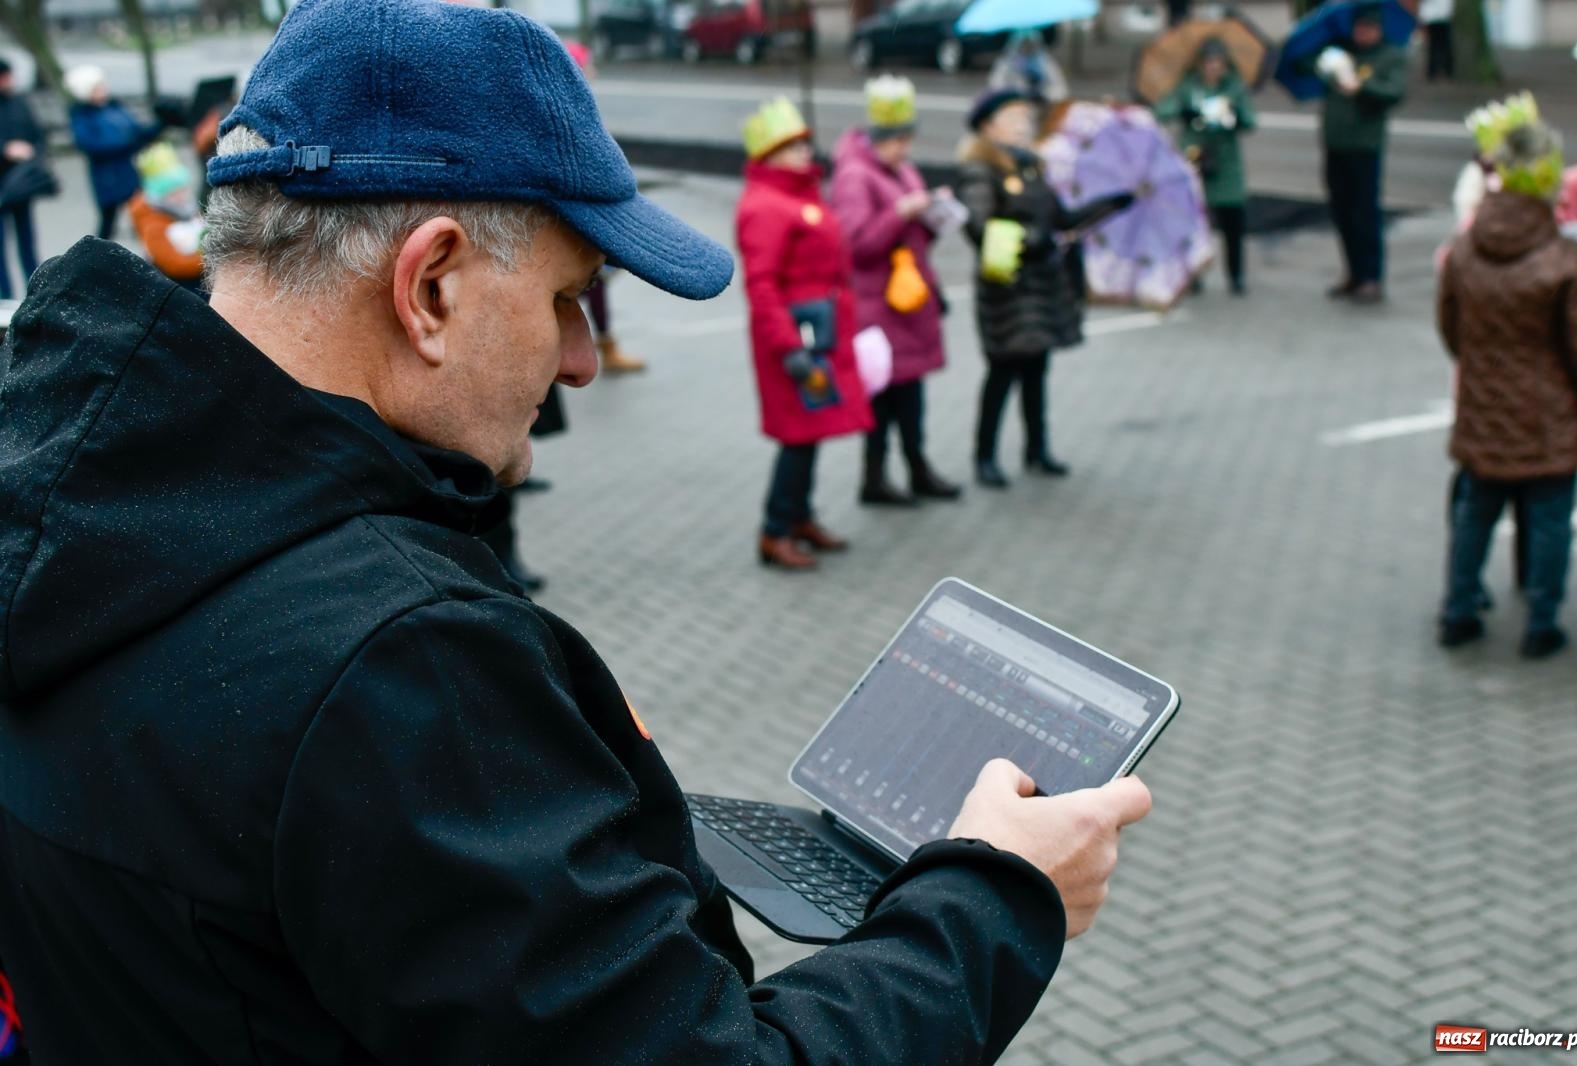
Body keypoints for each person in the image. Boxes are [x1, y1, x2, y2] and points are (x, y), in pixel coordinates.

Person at [0, 2, 1154, 1060]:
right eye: (568, 298)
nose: (585, 360)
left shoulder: (72, 510)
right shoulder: (398, 663)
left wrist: (549, 792)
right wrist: (994, 895)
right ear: (432, 286)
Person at [1436, 106, 1577, 659]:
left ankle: (1458, 610)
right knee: (1551, 521)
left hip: (1483, 406)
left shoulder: (1464, 248)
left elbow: (1451, 328)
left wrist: (1484, 367)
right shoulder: (1566, 260)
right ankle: (1541, 622)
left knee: (1474, 514)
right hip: (1550, 415)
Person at [957, 89, 1131, 489]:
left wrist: (1112, 204)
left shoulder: (1032, 167)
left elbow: (1062, 219)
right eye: (1014, 117)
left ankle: (1037, 449)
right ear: (989, 125)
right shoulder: (980, 168)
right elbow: (980, 229)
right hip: (1006, 289)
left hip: (1039, 284)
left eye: (1026, 117)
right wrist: (1038, 239)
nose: (1023, 124)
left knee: (1036, 368)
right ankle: (985, 456)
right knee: (1002, 371)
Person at [737, 96, 874, 570]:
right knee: (797, 435)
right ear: (769, 154)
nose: (804, 154)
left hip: (817, 336)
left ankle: (798, 517)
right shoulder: (767, 206)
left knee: (810, 430)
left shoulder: (799, 196)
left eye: (804, 144)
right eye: (792, 146)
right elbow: (762, 285)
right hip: (794, 343)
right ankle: (774, 530)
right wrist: (789, 347)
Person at [830, 75, 962, 507]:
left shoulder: (903, 171)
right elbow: (856, 246)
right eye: (896, 141)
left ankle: (917, 468)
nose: (904, 150)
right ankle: (875, 478)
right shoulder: (854, 177)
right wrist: (901, 211)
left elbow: (913, 238)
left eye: (908, 140)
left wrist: (932, 215)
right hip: (877, 306)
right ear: (876, 139)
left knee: (911, 395)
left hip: (908, 302)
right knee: (883, 399)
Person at [1313, 3, 1406, 305]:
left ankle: (1371, 276)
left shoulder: (1389, 55)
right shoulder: (1340, 53)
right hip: (1335, 144)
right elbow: (1308, 70)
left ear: (1378, 29)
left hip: (1365, 146)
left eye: (1368, 28)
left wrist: (1361, 86)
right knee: (1341, 211)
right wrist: (1326, 64)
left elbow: (1394, 92)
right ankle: (1352, 272)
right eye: (1358, 28)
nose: (1362, 33)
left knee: (1365, 212)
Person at [565, 39, 646, 374]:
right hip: (583, 216)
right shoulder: (571, 115)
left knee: (592, 285)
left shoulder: (580, 110)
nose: (594, 72)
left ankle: (601, 344)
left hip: (589, 214)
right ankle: (593, 345)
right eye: (588, 66)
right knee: (586, 283)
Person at [1156, 38, 1257, 296]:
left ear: (1225, 64)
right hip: (1195, 157)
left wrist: (1232, 117)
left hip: (1225, 160)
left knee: (1232, 220)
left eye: (1217, 62)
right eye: (1208, 62)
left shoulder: (1234, 88)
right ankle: (1193, 273)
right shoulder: (1189, 85)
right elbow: (1162, 109)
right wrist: (1185, 110)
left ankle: (1236, 275)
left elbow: (1250, 121)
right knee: (1192, 221)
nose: (1212, 67)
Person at [65, 64, 162, 241]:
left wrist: (159, 124)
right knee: (108, 222)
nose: (102, 91)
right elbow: (90, 144)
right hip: (107, 176)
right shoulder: (82, 114)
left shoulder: (115, 107)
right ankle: (96, 260)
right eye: (96, 88)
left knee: (143, 219)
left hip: (129, 171)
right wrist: (126, 143)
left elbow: (137, 132)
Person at [127, 143, 205, 293]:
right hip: (178, 287)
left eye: (182, 189)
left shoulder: (188, 210)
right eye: (173, 192)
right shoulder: (153, 223)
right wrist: (210, 261)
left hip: (197, 279)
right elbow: (172, 264)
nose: (181, 196)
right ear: (160, 194)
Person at [0, 58, 45, 301]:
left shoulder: (18, 102)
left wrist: (32, 154)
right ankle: (4, 298)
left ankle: (36, 292)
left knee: (27, 242)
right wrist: (6, 149)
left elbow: (36, 134)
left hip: (22, 184)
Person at [1419, 0, 1454, 80]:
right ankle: (1440, 72)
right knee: (1440, 46)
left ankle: (1436, 72)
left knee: (1436, 46)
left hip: (1437, 18)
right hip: (1439, 17)